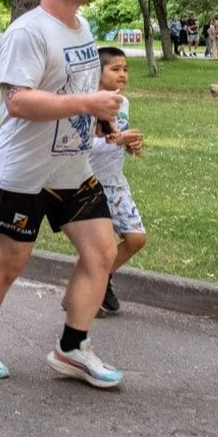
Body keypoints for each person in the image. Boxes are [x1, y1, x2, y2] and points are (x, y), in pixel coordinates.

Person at [0, 0, 125, 389]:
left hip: (73, 168)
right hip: (24, 173)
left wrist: (98, 118)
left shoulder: (82, 27)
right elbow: (19, 100)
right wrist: (88, 102)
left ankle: (71, 347)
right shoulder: (28, 33)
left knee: (102, 252)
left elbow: (78, 84)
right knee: (11, 263)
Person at [86, 47, 146, 316]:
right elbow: (85, 147)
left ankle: (101, 279)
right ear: (98, 74)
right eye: (115, 69)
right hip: (90, 184)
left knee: (136, 238)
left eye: (125, 69)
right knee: (102, 247)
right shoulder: (88, 104)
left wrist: (129, 145)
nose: (122, 74)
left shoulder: (124, 104)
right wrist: (118, 140)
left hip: (116, 182)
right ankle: (89, 293)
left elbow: (116, 141)